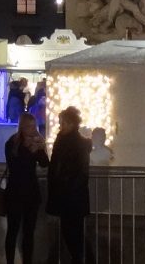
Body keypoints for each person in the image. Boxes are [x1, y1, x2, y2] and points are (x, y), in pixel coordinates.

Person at [46, 108, 91, 264]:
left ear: (72, 124)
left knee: (72, 231)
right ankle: (79, 258)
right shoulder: (67, 141)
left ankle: (79, 259)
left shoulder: (75, 143)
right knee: (71, 231)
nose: (60, 126)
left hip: (70, 196)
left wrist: (64, 184)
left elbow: (79, 172)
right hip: (69, 195)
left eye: (63, 123)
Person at [4, 112, 48, 264]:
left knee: (28, 233)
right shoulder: (12, 144)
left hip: (29, 193)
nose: (32, 129)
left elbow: (44, 163)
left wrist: (41, 147)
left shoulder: (33, 143)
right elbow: (15, 167)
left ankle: (27, 260)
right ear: (22, 127)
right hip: (16, 192)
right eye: (29, 126)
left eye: (33, 126)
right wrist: (32, 152)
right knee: (13, 231)